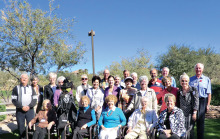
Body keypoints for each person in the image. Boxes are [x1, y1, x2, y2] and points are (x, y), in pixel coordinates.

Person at [189, 63, 211, 139]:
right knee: (191, 122)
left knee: (200, 123)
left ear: (202, 69)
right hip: (192, 101)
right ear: (195, 69)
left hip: (202, 101)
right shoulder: (190, 79)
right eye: (197, 68)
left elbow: (209, 93)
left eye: (200, 68)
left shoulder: (206, 79)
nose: (198, 69)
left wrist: (208, 104)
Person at [11, 73, 37, 139]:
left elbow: (34, 99)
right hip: (20, 110)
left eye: (26, 78)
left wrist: (29, 106)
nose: (24, 79)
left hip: (30, 110)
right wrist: (21, 107)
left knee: (30, 125)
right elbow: (13, 99)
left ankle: (30, 137)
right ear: (20, 79)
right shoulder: (16, 88)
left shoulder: (31, 88)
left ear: (28, 79)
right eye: (23, 77)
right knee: (21, 126)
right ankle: (23, 137)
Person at [177, 73, 199, 139]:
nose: (184, 82)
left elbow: (196, 102)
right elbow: (178, 103)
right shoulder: (179, 91)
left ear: (188, 81)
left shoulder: (193, 90)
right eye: (182, 81)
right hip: (181, 114)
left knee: (190, 130)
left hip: (190, 113)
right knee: (181, 130)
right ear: (180, 82)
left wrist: (194, 113)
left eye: (186, 81)